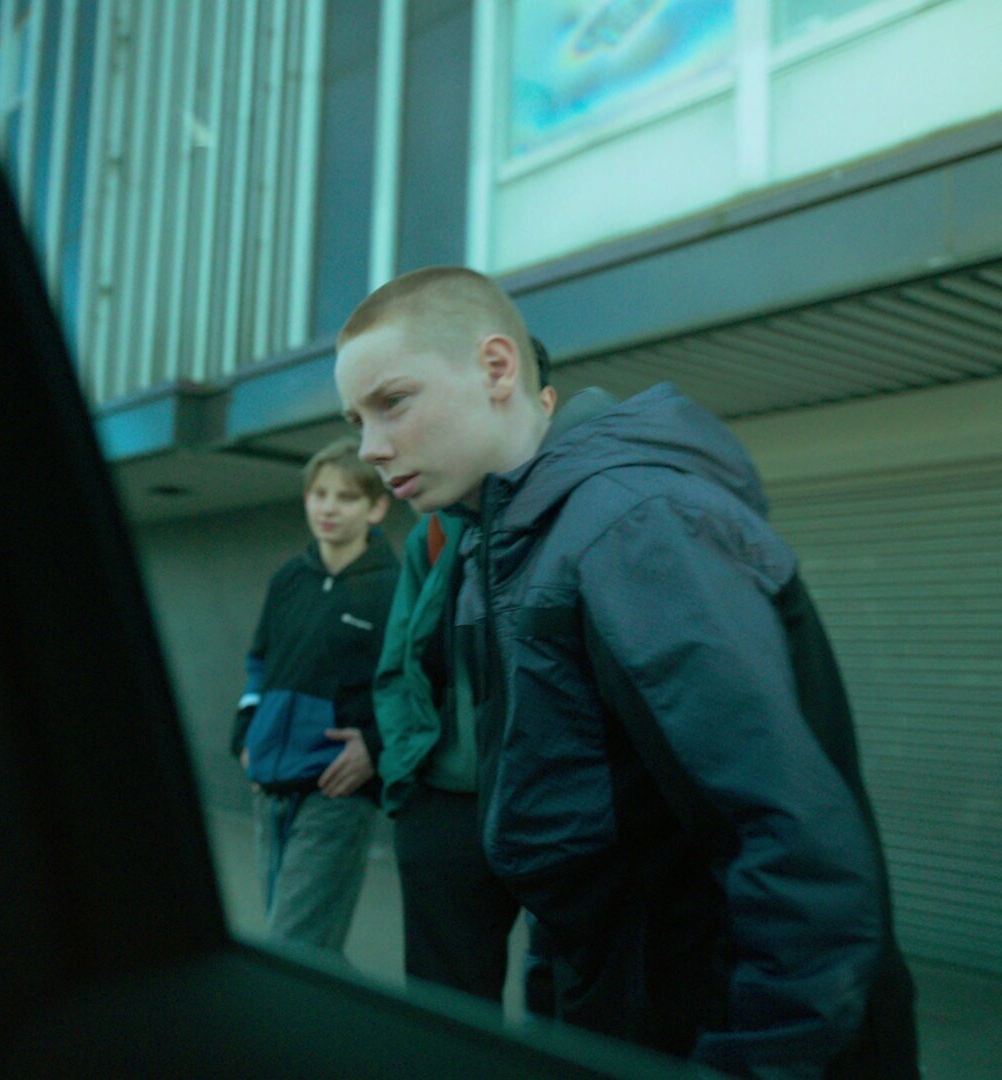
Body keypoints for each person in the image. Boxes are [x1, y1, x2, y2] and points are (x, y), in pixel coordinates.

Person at [334, 267, 917, 1077]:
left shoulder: (634, 525)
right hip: (622, 1005)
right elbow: (568, 828)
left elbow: (793, 844)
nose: (370, 447)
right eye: (356, 420)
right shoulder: (500, 544)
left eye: (393, 402)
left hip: (715, 1025)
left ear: (497, 368)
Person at [372, 337, 555, 1003]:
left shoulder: (582, 516)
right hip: (446, 806)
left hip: (553, 809)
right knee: (445, 1009)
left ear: (542, 401)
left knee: (568, 1006)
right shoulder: (436, 530)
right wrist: (409, 782)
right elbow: (398, 664)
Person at [230, 438, 398, 953]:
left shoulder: (394, 587)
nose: (328, 507)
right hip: (270, 786)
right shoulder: (288, 578)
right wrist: (247, 731)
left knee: (294, 943)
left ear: (376, 508)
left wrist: (375, 745)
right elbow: (259, 663)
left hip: (336, 790)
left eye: (346, 497)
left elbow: (415, 682)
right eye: (320, 494)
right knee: (300, 944)